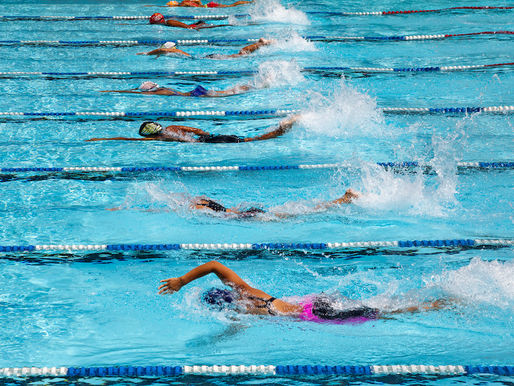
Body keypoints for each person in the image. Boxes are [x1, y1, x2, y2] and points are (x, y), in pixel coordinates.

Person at [158, 261, 452, 323]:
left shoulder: (241, 310)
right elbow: (214, 264)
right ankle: (435, 301)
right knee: (381, 305)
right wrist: (182, 281)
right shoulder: (247, 291)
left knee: (387, 313)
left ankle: (438, 305)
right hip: (314, 302)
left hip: (317, 313)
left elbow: (234, 330)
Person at [86, 115, 299, 143]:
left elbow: (128, 139)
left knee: (252, 141)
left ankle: (280, 130)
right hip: (211, 136)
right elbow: (196, 128)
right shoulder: (172, 127)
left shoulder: (161, 138)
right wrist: (205, 135)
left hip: (209, 142)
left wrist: (104, 138)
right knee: (247, 139)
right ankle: (280, 129)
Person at [191, 189, 359, 218]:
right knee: (303, 210)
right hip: (248, 212)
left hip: (248, 217)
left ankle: (343, 200)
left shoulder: (198, 209)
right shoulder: (203, 200)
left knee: (304, 213)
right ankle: (342, 199)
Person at [136, 38, 273, 58]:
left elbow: (164, 50)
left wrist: (148, 53)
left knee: (239, 55)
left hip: (206, 59)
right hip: (204, 59)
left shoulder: (174, 51)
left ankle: (260, 44)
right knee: (239, 55)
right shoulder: (175, 51)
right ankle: (260, 43)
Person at [100, 80, 252, 97]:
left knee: (225, 95)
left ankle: (244, 88)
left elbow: (144, 93)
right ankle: (246, 86)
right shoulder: (163, 88)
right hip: (193, 91)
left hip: (192, 95)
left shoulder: (158, 93)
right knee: (225, 92)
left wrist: (113, 91)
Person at [148, 12, 227, 29]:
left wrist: (193, 28)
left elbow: (186, 26)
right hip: (192, 25)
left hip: (192, 27)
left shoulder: (169, 22)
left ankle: (228, 24)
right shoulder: (165, 23)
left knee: (215, 26)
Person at [165, 0, 252, 7]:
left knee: (231, 6)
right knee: (230, 5)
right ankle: (249, 2)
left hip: (209, 6)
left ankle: (249, 2)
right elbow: (198, 1)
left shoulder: (183, 4)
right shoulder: (185, 1)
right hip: (208, 5)